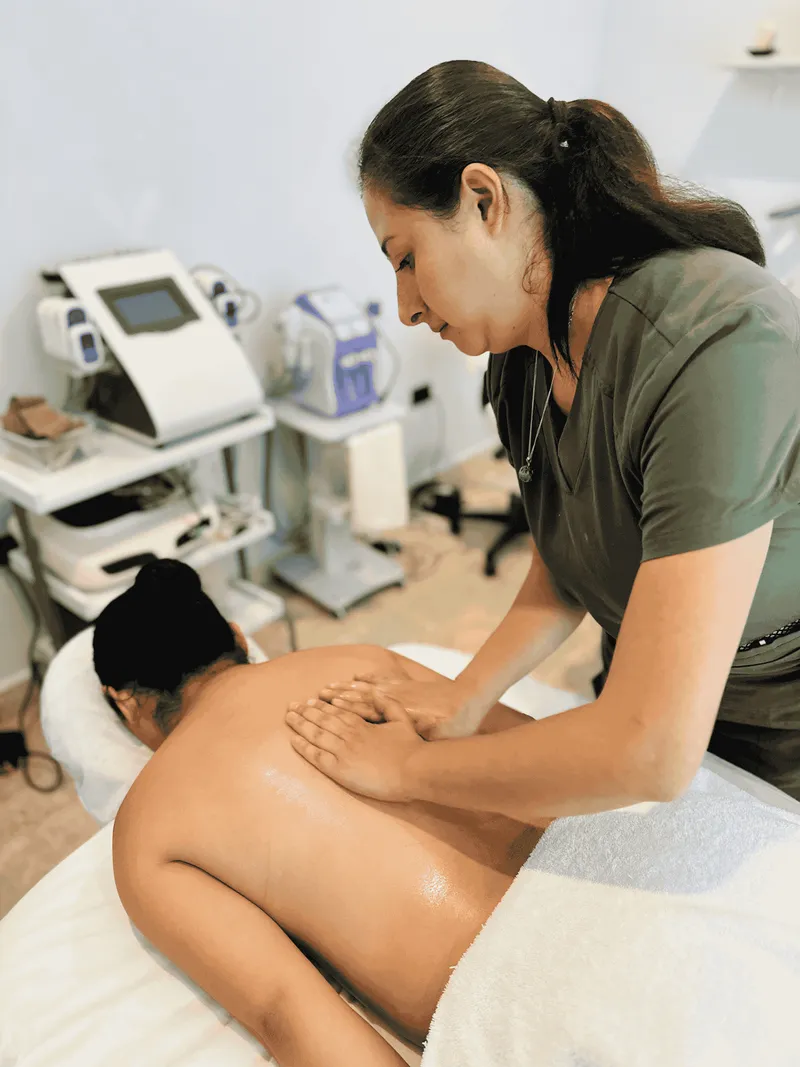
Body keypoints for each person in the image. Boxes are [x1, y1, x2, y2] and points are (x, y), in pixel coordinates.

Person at [285, 58, 800, 810]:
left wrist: (403, 771)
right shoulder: (526, 358)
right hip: (634, 684)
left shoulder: (716, 342)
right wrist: (463, 697)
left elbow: (651, 750)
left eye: (406, 258)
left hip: (780, 719)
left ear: (483, 199)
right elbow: (571, 560)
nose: (404, 308)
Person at [98, 560, 548, 1067]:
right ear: (238, 637)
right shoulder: (361, 660)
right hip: (619, 886)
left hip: (525, 1009)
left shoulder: (146, 831)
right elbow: (542, 750)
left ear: (126, 703)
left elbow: (285, 1012)